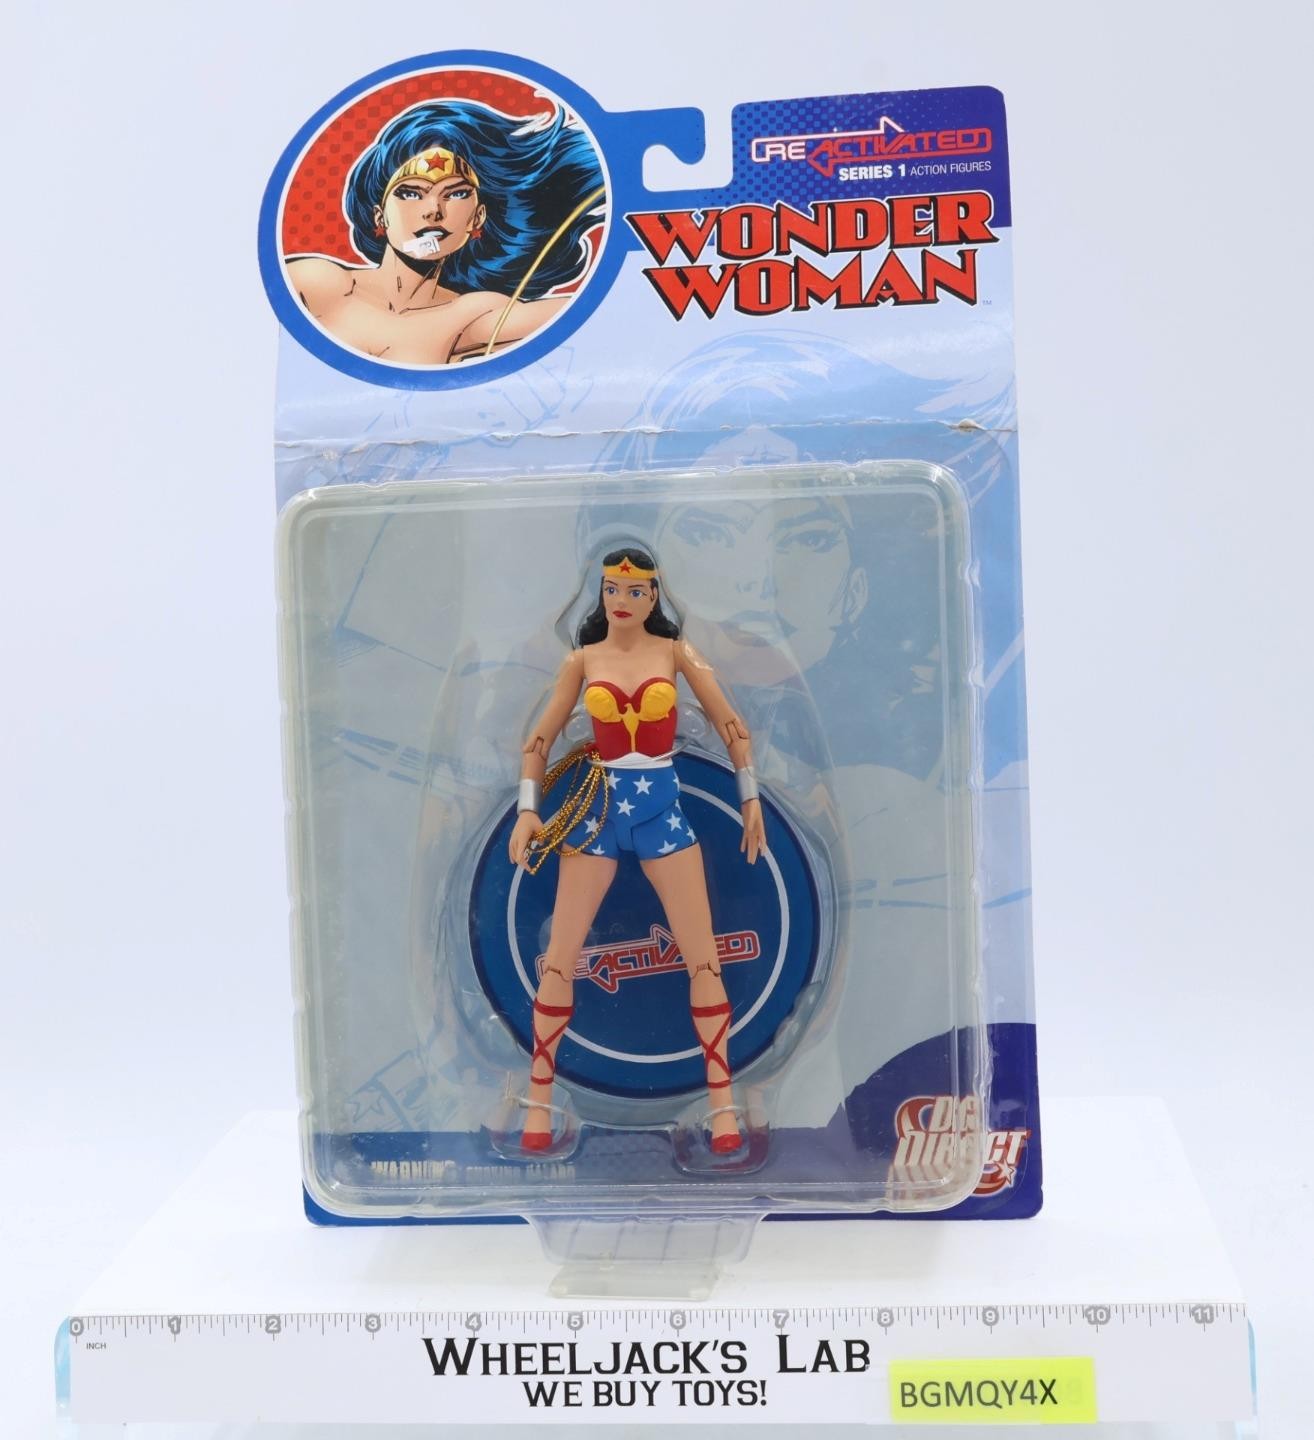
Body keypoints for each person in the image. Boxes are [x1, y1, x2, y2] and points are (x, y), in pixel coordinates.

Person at [507, 549, 766, 1154]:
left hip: (661, 812)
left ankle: (722, 1107)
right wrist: (527, 808)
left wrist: (749, 795)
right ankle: (538, 1105)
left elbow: (731, 725)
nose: (620, 601)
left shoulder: (675, 654)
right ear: (600, 594)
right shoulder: (582, 659)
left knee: (703, 959)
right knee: (559, 959)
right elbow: (539, 739)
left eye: (634, 591)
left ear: (654, 596)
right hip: (599, 811)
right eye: (611, 589)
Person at [285, 100, 605, 364]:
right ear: (380, 215)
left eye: (456, 194)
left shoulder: (470, 313)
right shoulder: (318, 282)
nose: (433, 211)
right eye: (411, 193)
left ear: (477, 218)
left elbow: (595, 311)